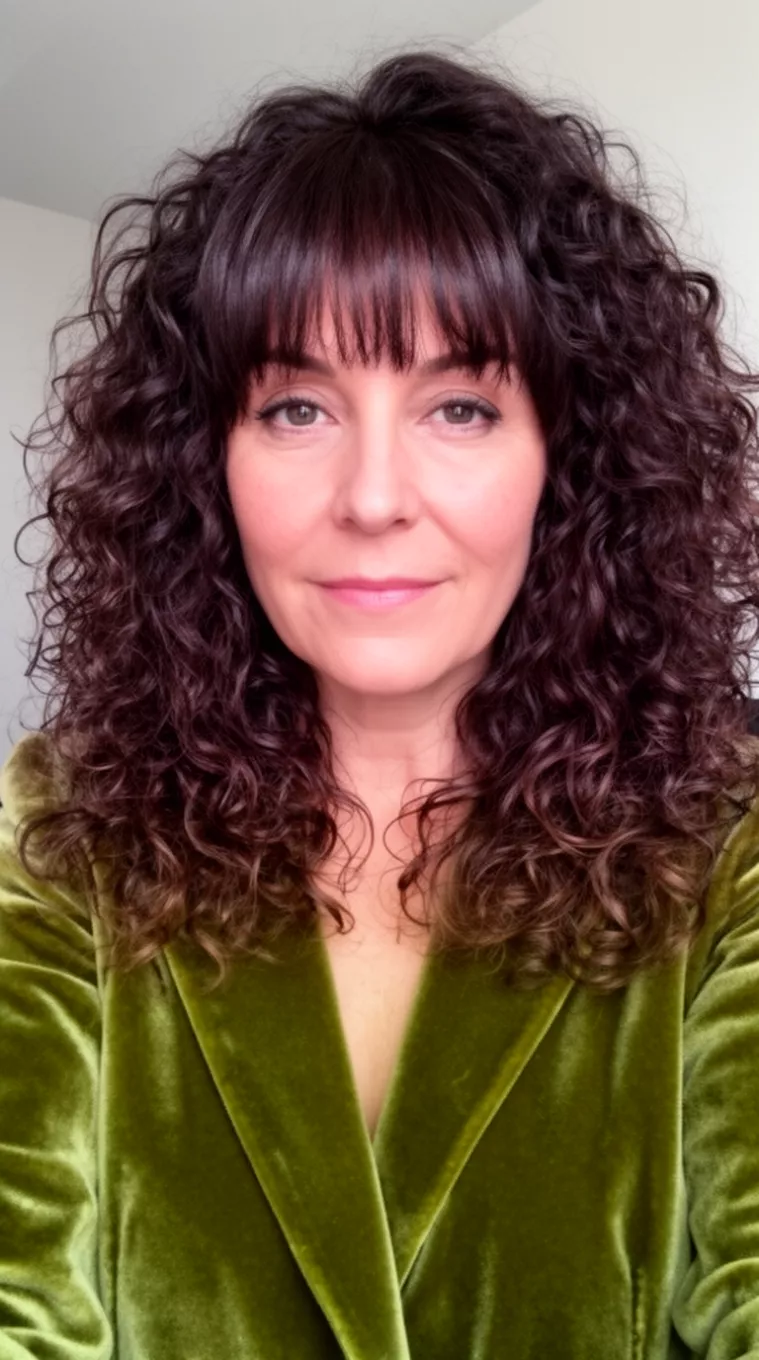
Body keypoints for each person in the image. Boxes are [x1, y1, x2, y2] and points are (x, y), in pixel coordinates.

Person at [1, 42, 759, 1360]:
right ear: (204, 464)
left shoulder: (728, 841)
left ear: (564, 463)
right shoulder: (60, 829)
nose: (369, 496)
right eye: (296, 408)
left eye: (458, 407)